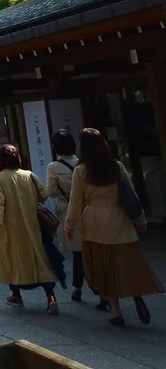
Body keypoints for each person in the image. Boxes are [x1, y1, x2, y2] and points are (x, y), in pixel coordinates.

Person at [66, 128, 163, 326]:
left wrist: (70, 225)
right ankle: (136, 295)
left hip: (94, 223)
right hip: (120, 220)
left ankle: (116, 312)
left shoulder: (81, 171)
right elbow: (131, 195)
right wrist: (140, 220)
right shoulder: (116, 166)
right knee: (127, 262)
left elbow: (75, 203)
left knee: (104, 268)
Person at [0, 144, 60, 315]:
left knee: (11, 259)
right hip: (32, 225)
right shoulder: (29, 175)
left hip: (10, 227)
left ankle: (16, 295)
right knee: (39, 259)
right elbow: (43, 195)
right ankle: (50, 296)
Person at [46, 129, 88, 303]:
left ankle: (77, 286)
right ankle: (94, 287)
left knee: (78, 252)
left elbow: (51, 192)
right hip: (88, 210)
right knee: (89, 250)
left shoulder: (53, 167)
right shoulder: (82, 163)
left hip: (68, 210)